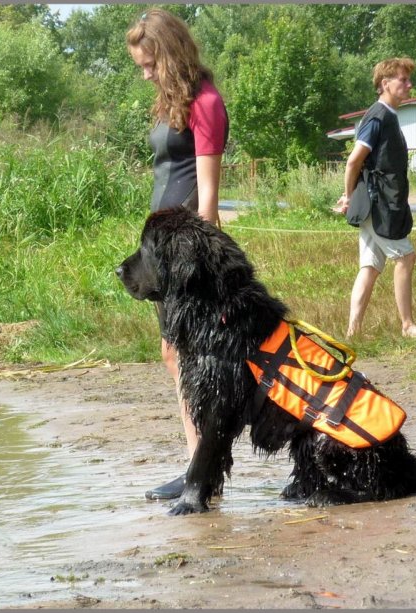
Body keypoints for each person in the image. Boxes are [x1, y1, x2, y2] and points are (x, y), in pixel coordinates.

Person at [126, 8, 229, 500]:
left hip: (186, 250)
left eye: (150, 65)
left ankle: (203, 471)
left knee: (190, 357)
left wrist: (197, 262)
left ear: (171, 55)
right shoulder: (175, 102)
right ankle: (197, 466)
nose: (145, 74)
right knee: (176, 355)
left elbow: (207, 196)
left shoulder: (205, 102)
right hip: (164, 250)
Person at [335, 57, 416, 339]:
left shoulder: (387, 115)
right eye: (403, 80)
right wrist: (349, 197)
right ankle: (407, 325)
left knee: (370, 266)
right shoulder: (378, 116)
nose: (409, 85)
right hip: (379, 204)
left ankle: (353, 331)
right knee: (405, 257)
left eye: (409, 80)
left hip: (382, 201)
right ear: (385, 84)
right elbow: (353, 161)